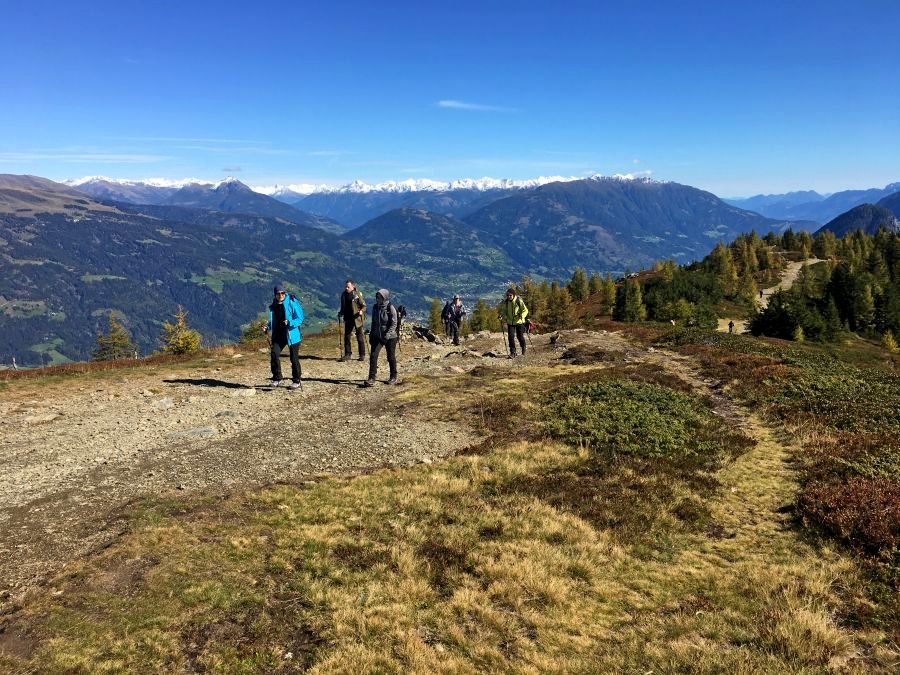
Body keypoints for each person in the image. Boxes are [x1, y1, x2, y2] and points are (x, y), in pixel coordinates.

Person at [263, 285, 304, 389]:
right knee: (274, 354)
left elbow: (300, 318)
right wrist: (267, 326)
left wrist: (290, 322)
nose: (280, 295)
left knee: (294, 358)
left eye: (282, 293)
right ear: (275, 295)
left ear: (285, 293)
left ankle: (296, 380)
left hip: (292, 335)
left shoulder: (291, 302)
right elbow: (275, 321)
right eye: (278, 293)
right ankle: (277, 378)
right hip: (278, 335)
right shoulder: (274, 305)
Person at [366, 289, 399, 386]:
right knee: (373, 356)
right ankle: (371, 378)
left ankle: (393, 376)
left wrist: (387, 335)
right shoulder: (375, 307)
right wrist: (372, 335)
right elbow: (374, 322)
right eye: (377, 297)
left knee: (390, 357)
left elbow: (394, 324)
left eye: (379, 297)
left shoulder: (390, 308)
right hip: (377, 336)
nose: (377, 299)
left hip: (391, 337)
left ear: (384, 298)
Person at [338, 279, 367, 362]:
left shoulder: (356, 294)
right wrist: (340, 313)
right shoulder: (343, 295)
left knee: (360, 337)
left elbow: (364, 305)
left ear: (353, 286)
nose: (346, 288)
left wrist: (361, 311)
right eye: (346, 287)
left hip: (357, 318)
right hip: (348, 318)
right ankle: (347, 354)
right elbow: (343, 307)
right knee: (346, 337)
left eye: (348, 287)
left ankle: (362, 355)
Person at [499, 287, 529, 357]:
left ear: (514, 295)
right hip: (510, 322)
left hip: (519, 322)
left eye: (510, 295)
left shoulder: (518, 301)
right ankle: (513, 352)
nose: (509, 297)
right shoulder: (506, 302)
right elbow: (504, 311)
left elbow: (525, 310)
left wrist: (522, 316)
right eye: (508, 295)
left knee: (520, 336)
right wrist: (501, 315)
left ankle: (523, 347)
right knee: (510, 337)